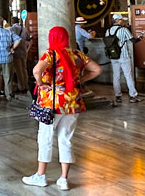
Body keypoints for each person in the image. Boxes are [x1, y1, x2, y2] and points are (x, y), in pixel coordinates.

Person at [22, 26, 103, 191]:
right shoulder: (77, 54)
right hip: (72, 103)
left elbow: (36, 70)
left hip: (52, 104)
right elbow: (97, 69)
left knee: (45, 138)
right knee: (66, 139)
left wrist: (41, 84)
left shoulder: (51, 54)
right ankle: (64, 179)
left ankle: (41, 175)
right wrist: (80, 80)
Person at [105, 14, 141, 103]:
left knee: (116, 76)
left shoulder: (108, 31)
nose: (123, 21)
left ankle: (118, 96)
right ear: (118, 20)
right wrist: (140, 38)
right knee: (128, 76)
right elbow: (133, 40)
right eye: (121, 20)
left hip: (113, 56)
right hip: (123, 56)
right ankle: (133, 96)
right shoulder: (124, 30)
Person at [0, 16, 21, 100]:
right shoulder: (8, 32)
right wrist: (13, 48)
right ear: (2, 23)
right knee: (8, 78)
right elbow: (18, 40)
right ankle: (8, 95)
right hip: (7, 58)